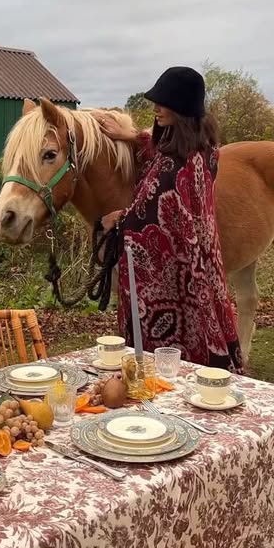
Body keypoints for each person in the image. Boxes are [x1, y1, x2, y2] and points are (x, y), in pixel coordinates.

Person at [99, 66, 243, 373]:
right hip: (201, 267)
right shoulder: (204, 151)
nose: (156, 108)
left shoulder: (173, 162)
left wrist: (118, 219)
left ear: (183, 108)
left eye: (165, 103)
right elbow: (157, 145)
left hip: (170, 275)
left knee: (156, 351)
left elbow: (150, 216)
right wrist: (130, 135)